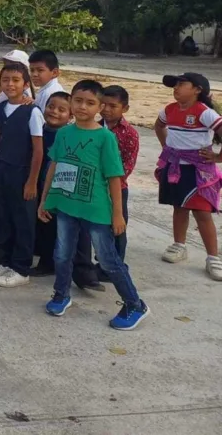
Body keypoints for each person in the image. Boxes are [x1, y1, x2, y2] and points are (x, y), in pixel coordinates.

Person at [39, 80, 151, 330]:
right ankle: (61, 294)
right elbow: (53, 167)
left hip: (97, 209)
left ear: (99, 107)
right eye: (77, 100)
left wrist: (118, 215)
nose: (82, 106)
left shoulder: (105, 138)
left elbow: (114, 178)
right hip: (67, 206)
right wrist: (46, 199)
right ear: (70, 102)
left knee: (109, 260)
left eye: (90, 103)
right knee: (62, 254)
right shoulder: (64, 133)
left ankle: (134, 304)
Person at [155, 73, 222, 281]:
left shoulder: (205, 112)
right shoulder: (169, 110)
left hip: (198, 170)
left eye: (182, 84)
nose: (176, 88)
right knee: (179, 206)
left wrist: (218, 157)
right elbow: (159, 126)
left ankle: (213, 257)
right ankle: (179, 245)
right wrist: (168, 148)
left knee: (202, 213)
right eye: (174, 85)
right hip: (176, 167)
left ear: (197, 89)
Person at [0, 62, 44, 288]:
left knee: (23, 220)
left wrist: (32, 182)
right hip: (3, 171)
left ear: (26, 85)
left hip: (23, 174)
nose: (10, 84)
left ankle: (21, 267)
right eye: (5, 80)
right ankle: (4, 260)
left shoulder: (32, 111)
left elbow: (38, 150)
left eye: (16, 80)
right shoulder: (0, 108)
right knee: (4, 216)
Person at [32, 92, 71, 276]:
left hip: (57, 189)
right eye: (51, 106)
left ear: (70, 115)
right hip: (36, 184)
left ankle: (48, 263)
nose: (54, 112)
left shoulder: (68, 136)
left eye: (62, 110)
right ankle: (37, 250)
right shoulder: (38, 130)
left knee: (51, 225)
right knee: (38, 221)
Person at [100, 85, 139, 267]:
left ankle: (115, 265)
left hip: (116, 189)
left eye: (113, 106)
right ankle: (100, 262)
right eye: (103, 104)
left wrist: (109, 182)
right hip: (93, 187)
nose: (106, 109)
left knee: (116, 227)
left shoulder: (129, 134)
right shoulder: (94, 126)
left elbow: (126, 166)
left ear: (125, 109)